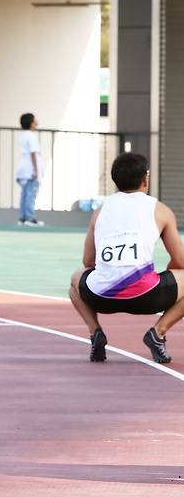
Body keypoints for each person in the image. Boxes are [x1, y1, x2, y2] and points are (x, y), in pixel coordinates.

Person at [69, 152, 184, 365]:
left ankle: (95, 332)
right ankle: (158, 333)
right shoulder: (160, 209)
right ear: (145, 179)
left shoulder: (100, 211)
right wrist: (170, 275)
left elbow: (88, 262)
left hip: (100, 296)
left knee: (75, 280)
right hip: (147, 296)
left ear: (115, 181)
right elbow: (180, 261)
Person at [16, 111, 44, 226]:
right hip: (30, 169)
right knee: (30, 194)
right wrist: (36, 171)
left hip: (24, 168)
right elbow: (33, 154)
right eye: (35, 120)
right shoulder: (31, 136)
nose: (37, 122)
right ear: (31, 123)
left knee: (24, 194)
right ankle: (29, 217)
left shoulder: (23, 135)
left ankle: (23, 218)